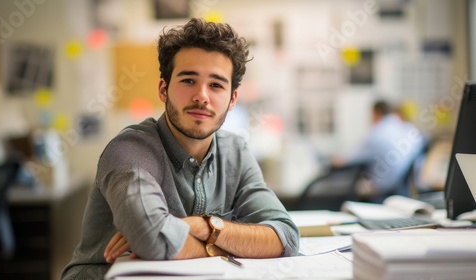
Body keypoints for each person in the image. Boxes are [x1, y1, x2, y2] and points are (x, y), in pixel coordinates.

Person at [61, 18, 299, 279]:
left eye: (216, 85)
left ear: (232, 100)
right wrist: (231, 243)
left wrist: (200, 226)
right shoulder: (130, 151)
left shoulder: (236, 152)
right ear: (164, 89)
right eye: (188, 80)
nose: (202, 96)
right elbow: (153, 240)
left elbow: (284, 237)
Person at [332, 100, 426, 202]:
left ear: (376, 113)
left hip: (382, 194)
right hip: (405, 192)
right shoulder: (408, 129)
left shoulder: (377, 133)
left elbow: (342, 161)